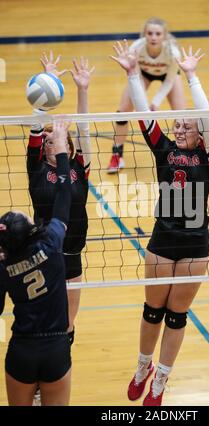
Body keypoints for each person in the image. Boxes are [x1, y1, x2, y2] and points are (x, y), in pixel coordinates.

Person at [110, 41, 209, 406]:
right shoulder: (164, 149)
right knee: (152, 311)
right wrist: (131, 75)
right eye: (178, 122)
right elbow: (144, 114)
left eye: (188, 124)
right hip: (162, 241)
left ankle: (161, 382)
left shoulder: (208, 156)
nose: (182, 124)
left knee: (176, 316)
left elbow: (205, 115)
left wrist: (191, 75)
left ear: (201, 134)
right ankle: (143, 368)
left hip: (194, 247)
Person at [0, 121, 72, 406]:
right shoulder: (51, 242)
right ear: (31, 229)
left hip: (22, 350)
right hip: (55, 346)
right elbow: (64, 196)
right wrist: (62, 148)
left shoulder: (4, 268)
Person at [27, 51, 94, 346]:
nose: (55, 141)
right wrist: (47, 83)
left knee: (67, 324)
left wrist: (82, 89)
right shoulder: (37, 169)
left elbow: (83, 129)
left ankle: (59, 371)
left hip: (72, 256)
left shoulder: (79, 169)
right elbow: (35, 128)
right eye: (50, 139)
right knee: (41, 320)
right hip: (43, 254)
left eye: (60, 139)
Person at [107, 17, 186, 173]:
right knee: (122, 112)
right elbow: (133, 77)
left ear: (164, 36)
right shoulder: (136, 48)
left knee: (182, 117)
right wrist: (143, 104)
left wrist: (156, 102)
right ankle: (117, 155)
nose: (153, 37)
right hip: (143, 74)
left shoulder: (173, 51)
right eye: (150, 33)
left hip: (168, 77)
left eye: (158, 34)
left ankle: (182, 156)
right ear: (144, 34)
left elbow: (169, 80)